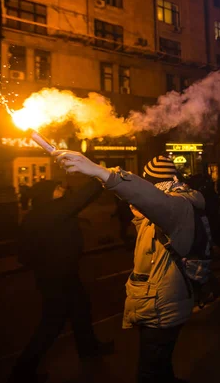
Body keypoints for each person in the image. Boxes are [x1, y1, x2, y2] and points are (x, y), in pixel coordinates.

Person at [52, 153, 202, 383]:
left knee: (148, 374)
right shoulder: (162, 210)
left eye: (145, 184)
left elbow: (148, 197)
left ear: (152, 187)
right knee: (159, 367)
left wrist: (100, 171)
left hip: (162, 306)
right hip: (156, 302)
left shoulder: (176, 208)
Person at [10, 179, 114, 383]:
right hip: (57, 276)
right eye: (57, 188)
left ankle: (89, 349)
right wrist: (97, 177)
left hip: (60, 273)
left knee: (81, 309)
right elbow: (80, 200)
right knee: (52, 323)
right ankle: (22, 371)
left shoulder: (41, 212)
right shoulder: (50, 211)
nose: (62, 189)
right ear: (47, 193)